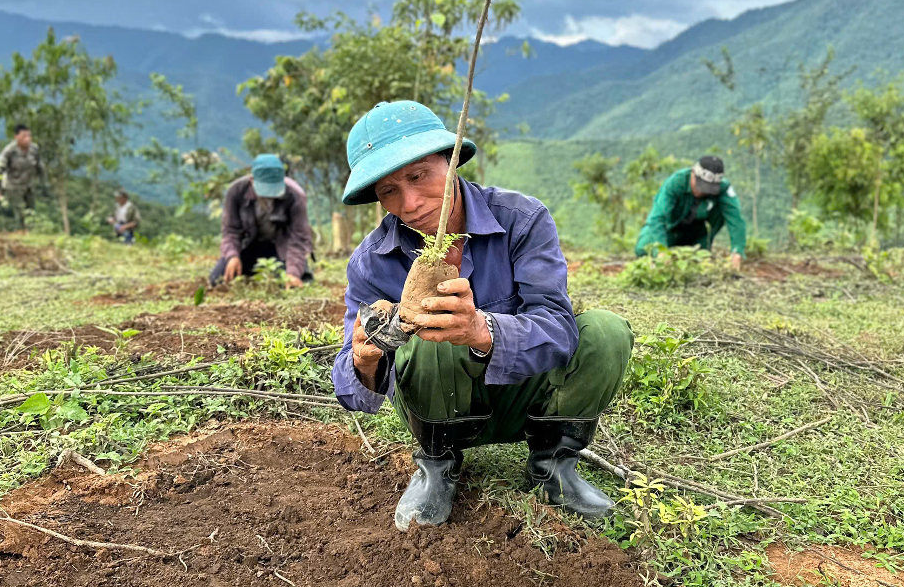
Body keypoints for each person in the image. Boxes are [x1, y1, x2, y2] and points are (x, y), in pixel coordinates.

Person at [332, 100, 634, 532]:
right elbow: (354, 390)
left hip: (526, 398)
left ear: (451, 161)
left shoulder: (522, 220)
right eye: (388, 192)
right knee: (428, 334)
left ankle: (553, 466)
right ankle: (437, 465)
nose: (411, 202)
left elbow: (558, 328)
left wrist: (481, 329)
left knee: (604, 331)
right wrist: (364, 359)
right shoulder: (371, 262)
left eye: (418, 176)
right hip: (440, 408)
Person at [209, 153, 314, 288]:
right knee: (218, 279)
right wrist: (232, 256)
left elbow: (298, 238)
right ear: (252, 181)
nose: (269, 197)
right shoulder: (235, 192)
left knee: (290, 283)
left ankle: (297, 271)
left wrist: (292, 272)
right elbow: (230, 231)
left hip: (280, 249)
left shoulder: (295, 195)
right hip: (247, 247)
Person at [634, 155, 746, 271]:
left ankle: (703, 248)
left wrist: (737, 252)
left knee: (697, 265)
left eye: (707, 188)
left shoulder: (724, 188)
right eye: (699, 185)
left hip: (697, 233)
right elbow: (657, 218)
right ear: (693, 173)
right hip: (670, 229)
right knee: (643, 248)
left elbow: (736, 220)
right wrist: (661, 251)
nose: (702, 191)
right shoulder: (675, 183)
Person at [0, 124, 47, 230]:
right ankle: (21, 232)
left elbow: (40, 167)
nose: (27, 139)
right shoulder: (9, 151)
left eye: (29, 136)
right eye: (24, 136)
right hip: (13, 186)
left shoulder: (34, 149)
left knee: (31, 212)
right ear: (16, 137)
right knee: (20, 212)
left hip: (29, 185)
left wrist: (44, 184)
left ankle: (31, 233)